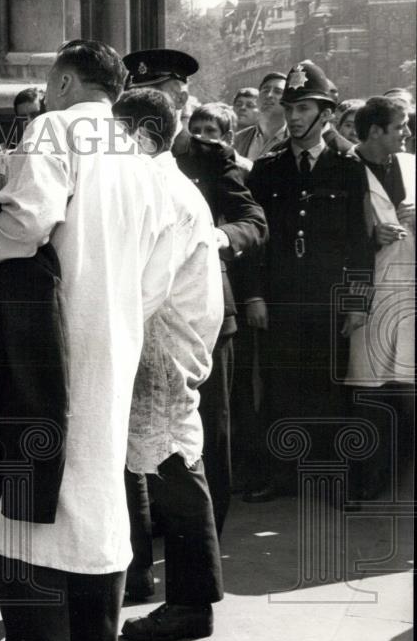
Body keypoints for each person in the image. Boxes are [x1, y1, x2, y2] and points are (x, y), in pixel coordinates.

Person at [0, 40, 176, 641]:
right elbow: (161, 265)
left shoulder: (53, 128)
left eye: (49, 84)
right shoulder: (138, 157)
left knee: (30, 505)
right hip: (113, 342)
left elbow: (26, 220)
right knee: (97, 493)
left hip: (44, 344)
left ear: (66, 81)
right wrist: (119, 320)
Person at [125, 48, 268, 541]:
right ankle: (157, 533)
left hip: (202, 311)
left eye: (171, 91)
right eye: (152, 91)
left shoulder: (210, 156)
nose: (168, 98)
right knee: (144, 428)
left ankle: (204, 536)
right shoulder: (123, 158)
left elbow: (254, 222)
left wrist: (216, 239)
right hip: (144, 313)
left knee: (205, 429)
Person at [113, 88, 225, 641]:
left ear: (135, 134)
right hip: (173, 336)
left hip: (161, 339)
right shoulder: (168, 182)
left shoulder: (157, 187)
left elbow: (147, 286)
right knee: (168, 461)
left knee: (175, 466)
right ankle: (184, 597)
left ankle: (191, 605)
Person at [242, 61, 373, 502]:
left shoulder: (348, 166)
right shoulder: (269, 167)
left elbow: (359, 240)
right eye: (290, 107)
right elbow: (257, 237)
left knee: (332, 389)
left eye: (303, 108)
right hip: (280, 296)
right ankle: (281, 477)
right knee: (280, 386)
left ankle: (336, 480)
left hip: (329, 297)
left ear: (326, 113)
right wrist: (255, 294)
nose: (293, 116)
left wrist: (357, 300)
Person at [346, 96, 415, 502]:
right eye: (400, 126)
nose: (407, 133)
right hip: (367, 293)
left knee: (407, 386)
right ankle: (368, 481)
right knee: (369, 389)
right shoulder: (345, 169)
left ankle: (402, 480)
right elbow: (332, 236)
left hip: (409, 290)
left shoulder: (410, 166)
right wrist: (370, 238)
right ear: (375, 132)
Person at [233, 72, 288, 161]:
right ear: (258, 98)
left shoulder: (297, 141)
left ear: (289, 101)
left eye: (278, 92)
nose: (269, 95)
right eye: (265, 90)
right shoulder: (237, 139)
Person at [189, 102, 254, 174]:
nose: (201, 135)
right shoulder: (183, 161)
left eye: (210, 131)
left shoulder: (245, 170)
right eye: (195, 131)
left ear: (227, 138)